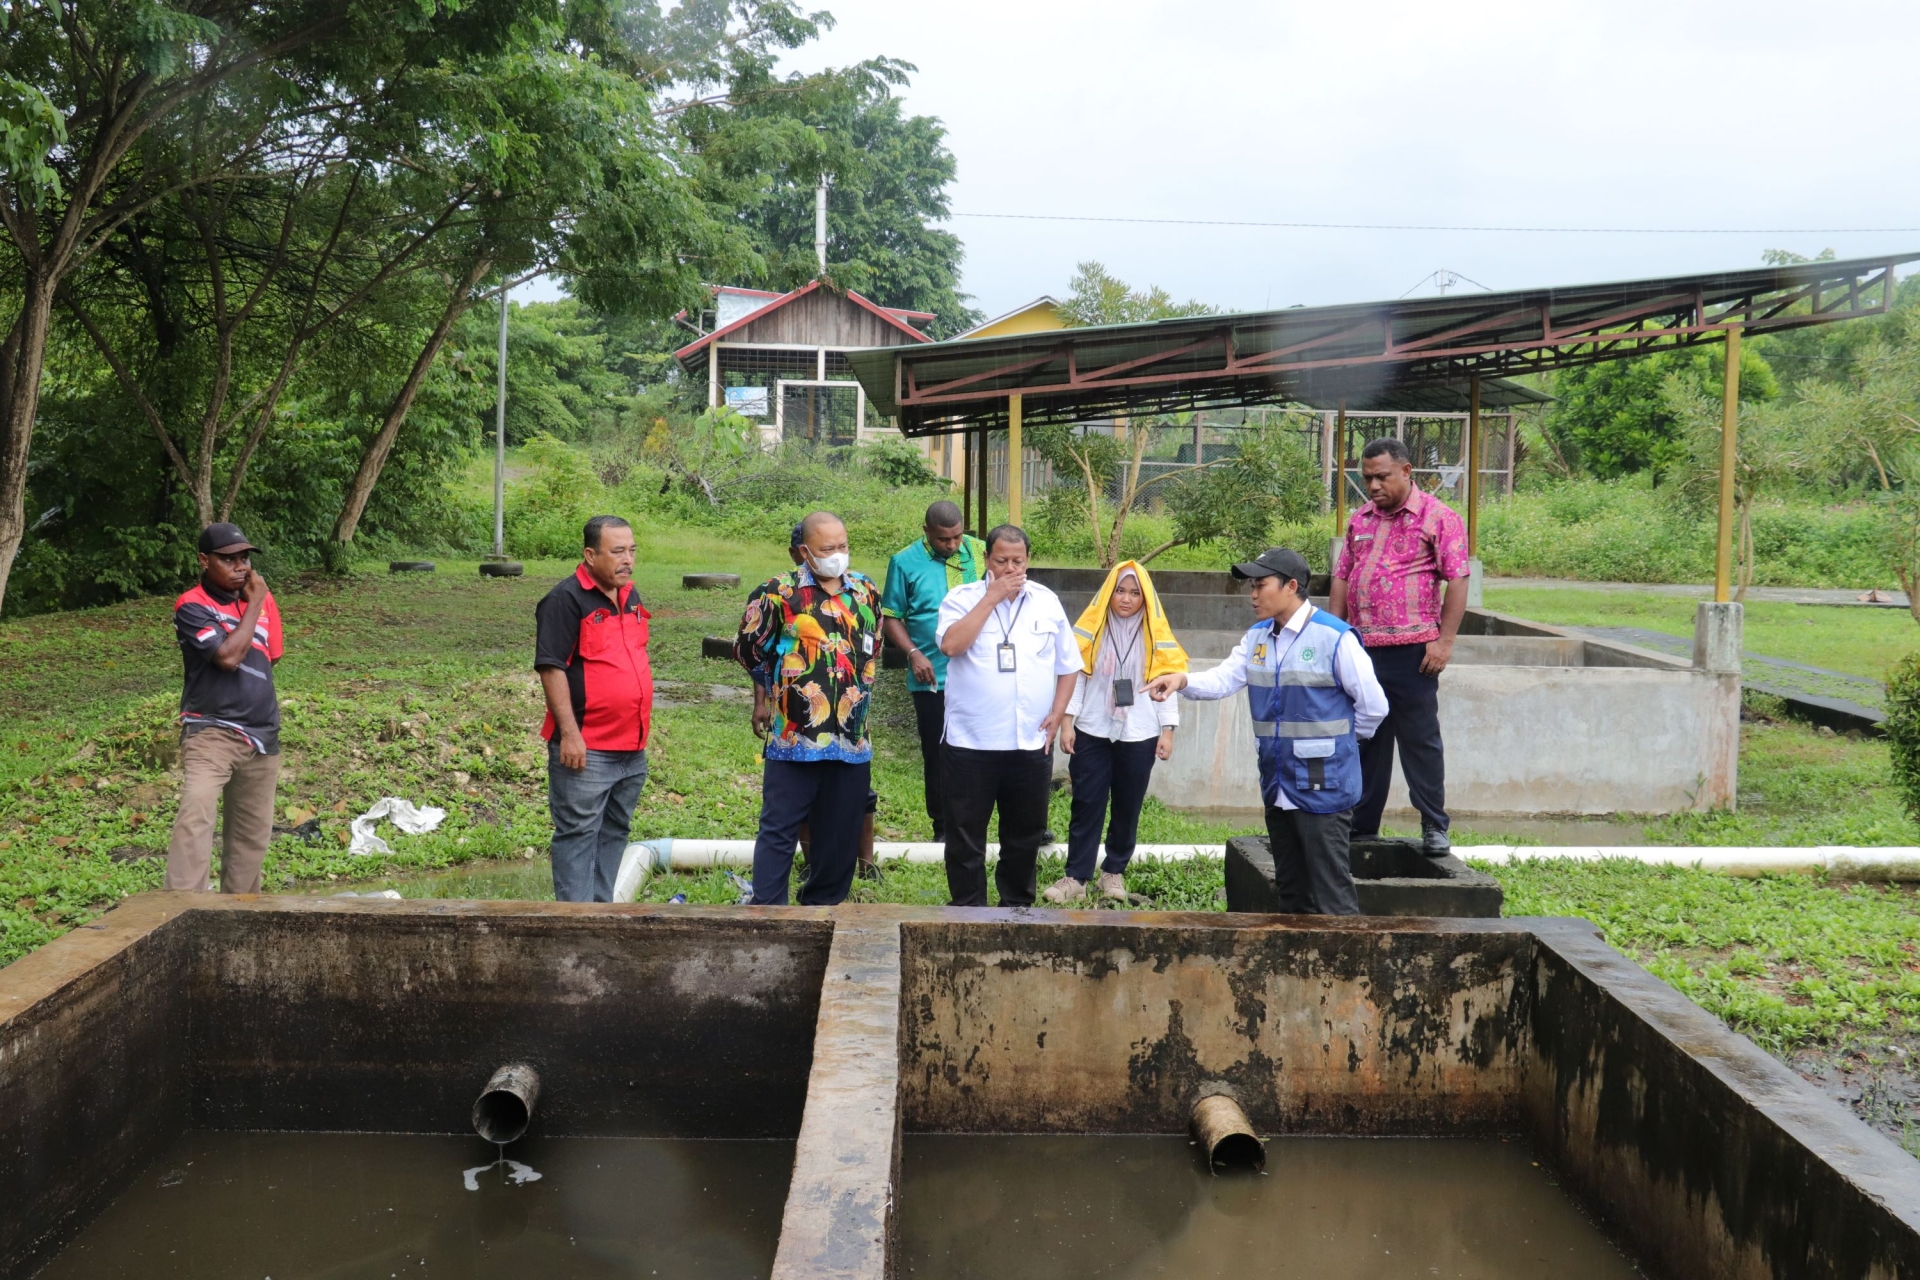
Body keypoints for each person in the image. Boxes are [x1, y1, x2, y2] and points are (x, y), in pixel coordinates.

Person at [1145, 548, 1386, 916]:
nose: (1253, 595)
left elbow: (1373, 708)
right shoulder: (1257, 637)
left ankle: (1344, 969)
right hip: (1279, 781)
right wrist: (1181, 680)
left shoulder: (1334, 637)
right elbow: (1225, 678)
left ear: (1291, 586)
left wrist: (1337, 747)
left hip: (1323, 782)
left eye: (1260, 586)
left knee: (1330, 891)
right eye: (1251, 587)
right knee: (1289, 888)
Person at [1328, 437, 1470, 856]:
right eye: (1366, 477)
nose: (1373, 485)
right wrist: (1336, 637)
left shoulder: (1439, 518)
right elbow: (1341, 576)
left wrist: (1444, 642)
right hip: (1362, 650)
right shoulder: (1360, 521)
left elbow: (1457, 578)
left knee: (1419, 740)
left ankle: (1434, 826)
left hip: (1415, 653)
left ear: (1406, 472)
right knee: (1366, 740)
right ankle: (1362, 824)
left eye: (1382, 477)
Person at [735, 510, 883, 905]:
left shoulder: (866, 591)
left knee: (840, 832)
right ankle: (769, 910)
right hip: (794, 734)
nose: (837, 554)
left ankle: (823, 908)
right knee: (780, 826)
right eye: (827, 548)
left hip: (851, 737)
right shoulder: (775, 593)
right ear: (805, 551)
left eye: (843, 546)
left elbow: (873, 646)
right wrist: (773, 694)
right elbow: (750, 650)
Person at [935, 525, 1080, 907]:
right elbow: (951, 645)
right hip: (971, 741)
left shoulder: (1046, 602)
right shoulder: (961, 598)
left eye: (1018, 561)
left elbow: (1069, 665)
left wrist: (1058, 712)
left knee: (1025, 835)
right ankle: (968, 911)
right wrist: (991, 598)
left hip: (1030, 741)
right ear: (986, 560)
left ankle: (1016, 910)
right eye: (1001, 561)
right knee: (965, 836)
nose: (1010, 568)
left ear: (1028, 561)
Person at [1047, 562, 1189, 904]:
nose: (1126, 599)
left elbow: (1166, 683)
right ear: (1109, 593)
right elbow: (1076, 676)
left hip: (1140, 732)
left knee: (1128, 805)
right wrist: (1068, 723)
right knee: (1086, 802)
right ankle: (1076, 877)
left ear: (1146, 598)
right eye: (1120, 591)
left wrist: (1167, 731)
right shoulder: (1091, 629)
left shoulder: (1156, 633)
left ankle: (1113, 873)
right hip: (1092, 728)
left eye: (1135, 593)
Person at [534, 515, 654, 902]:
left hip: (632, 747)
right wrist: (570, 734)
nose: (627, 560)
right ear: (590, 555)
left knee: (615, 828)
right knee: (578, 833)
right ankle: (574, 921)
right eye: (617, 551)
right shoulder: (564, 600)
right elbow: (551, 668)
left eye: (632, 550)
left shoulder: (629, 595)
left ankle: (602, 914)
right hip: (588, 747)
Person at [167, 523, 285, 893]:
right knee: (195, 816)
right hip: (211, 732)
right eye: (228, 559)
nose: (240, 567)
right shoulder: (192, 605)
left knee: (251, 839)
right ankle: (182, 913)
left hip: (262, 735)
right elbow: (228, 657)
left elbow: (273, 655)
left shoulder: (263, 601)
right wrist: (253, 605)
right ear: (204, 560)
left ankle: (238, 920)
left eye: (244, 558)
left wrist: (257, 603)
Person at [880, 500, 987, 840]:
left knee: (992, 749)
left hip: (983, 674)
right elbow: (891, 616)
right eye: (944, 540)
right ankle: (943, 827)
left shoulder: (982, 552)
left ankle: (1002, 823)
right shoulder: (904, 562)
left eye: (957, 537)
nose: (953, 545)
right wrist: (912, 653)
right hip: (933, 678)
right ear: (926, 532)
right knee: (938, 752)